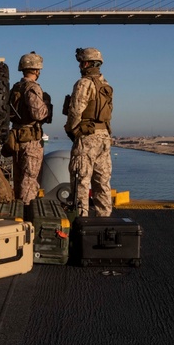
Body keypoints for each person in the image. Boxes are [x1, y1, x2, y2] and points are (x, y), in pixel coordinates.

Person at [63, 47, 114, 217]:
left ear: (86, 64)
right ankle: (104, 219)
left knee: (81, 182)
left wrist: (72, 130)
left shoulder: (83, 83)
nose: (79, 66)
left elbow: (75, 112)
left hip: (87, 138)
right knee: (102, 183)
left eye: (81, 63)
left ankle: (81, 220)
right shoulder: (106, 85)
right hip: (104, 138)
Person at [9, 52, 50, 204]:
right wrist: (47, 106)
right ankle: (26, 212)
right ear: (37, 70)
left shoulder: (16, 87)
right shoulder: (32, 88)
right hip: (30, 140)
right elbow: (38, 114)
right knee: (29, 181)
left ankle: (19, 210)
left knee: (19, 178)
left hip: (16, 138)